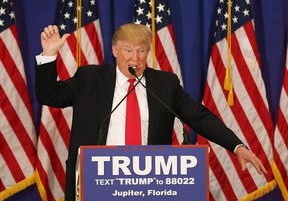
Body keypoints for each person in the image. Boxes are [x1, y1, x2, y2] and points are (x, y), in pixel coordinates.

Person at [36, 23, 267, 201]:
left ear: (148, 52)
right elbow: (49, 96)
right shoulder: (90, 78)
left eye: (141, 51)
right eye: (128, 50)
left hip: (148, 186)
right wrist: (49, 55)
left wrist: (236, 147)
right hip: (96, 184)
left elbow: (199, 116)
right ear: (115, 50)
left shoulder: (165, 84)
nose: (134, 58)